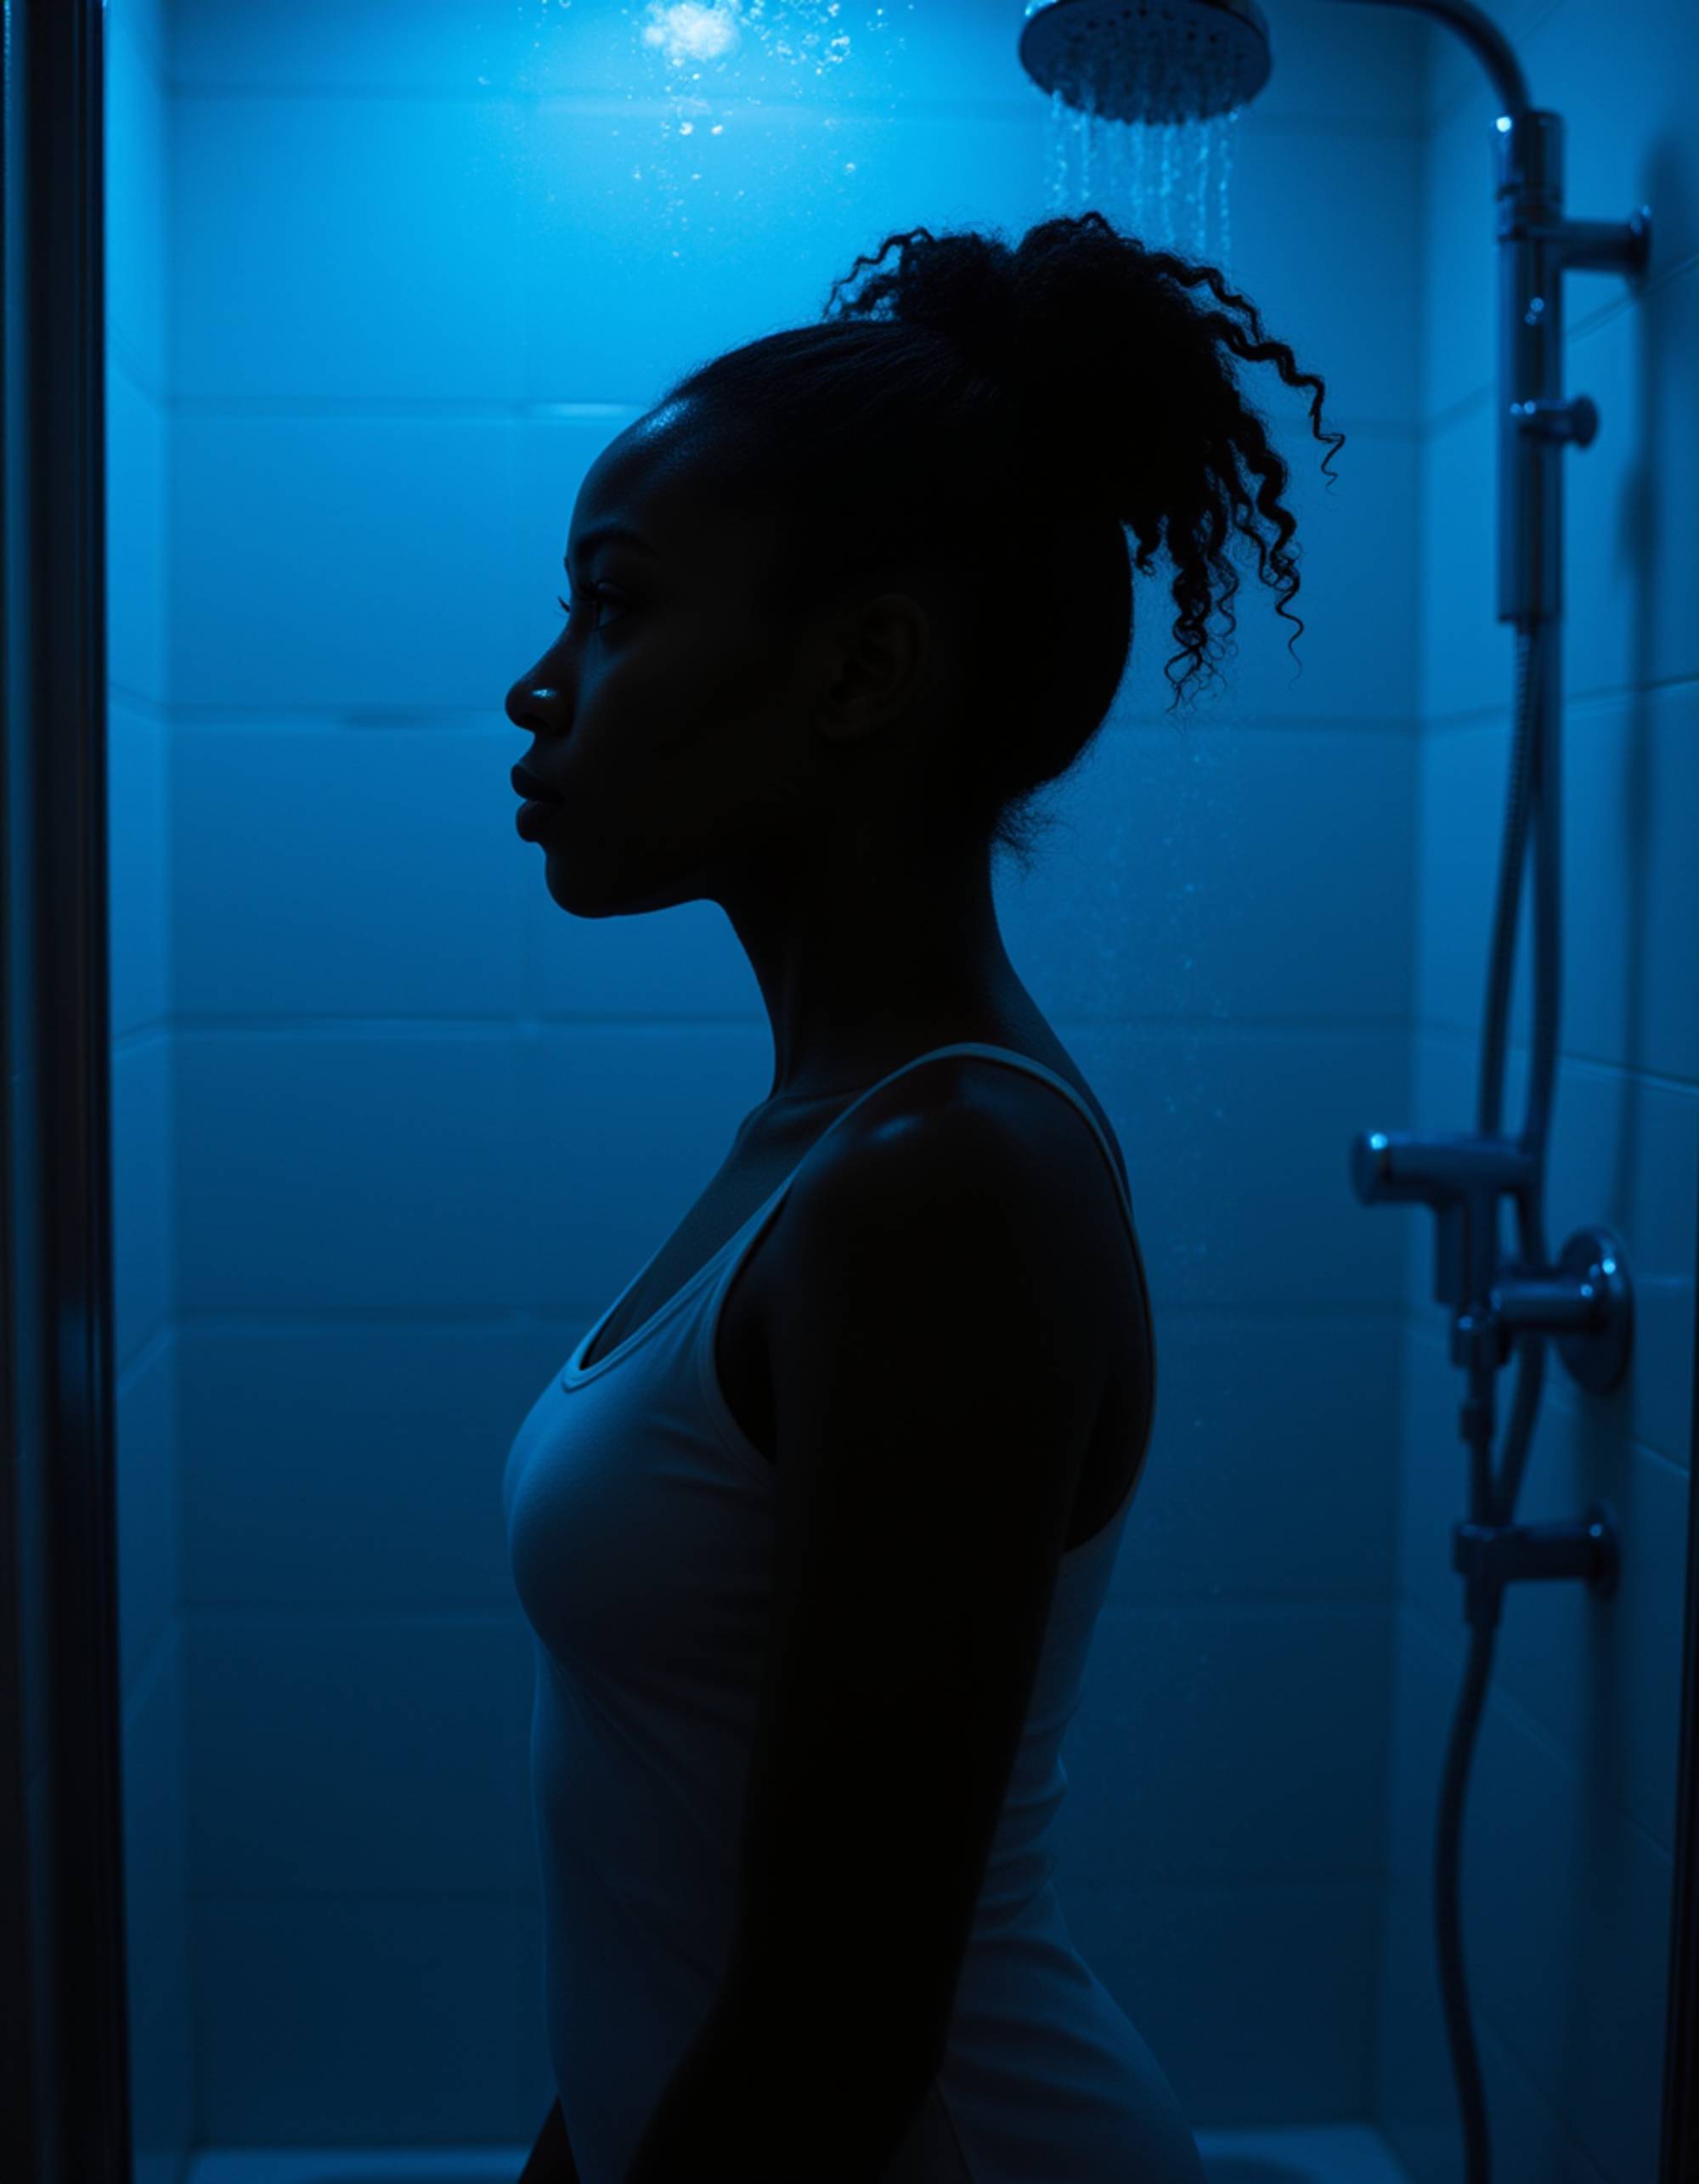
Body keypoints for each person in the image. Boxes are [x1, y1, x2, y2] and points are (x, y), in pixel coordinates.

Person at [502, 212, 1341, 2184]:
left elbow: (835, 2027)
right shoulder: (832, 1139)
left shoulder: (943, 1183)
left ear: (865, 666)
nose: (540, 686)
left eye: (613, 605)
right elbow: (679, 1887)